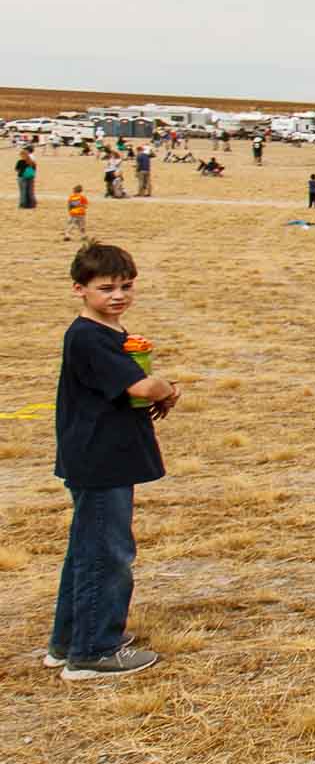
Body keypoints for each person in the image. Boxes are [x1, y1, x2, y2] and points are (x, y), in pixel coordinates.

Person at [49, 242, 183, 680]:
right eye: (106, 288)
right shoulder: (88, 337)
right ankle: (94, 650)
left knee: (87, 549)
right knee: (107, 553)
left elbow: (130, 388)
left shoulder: (109, 335)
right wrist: (163, 386)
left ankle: (69, 641)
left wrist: (152, 386)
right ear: (79, 289)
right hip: (100, 461)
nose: (118, 295)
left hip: (102, 456)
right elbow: (141, 388)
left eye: (126, 286)